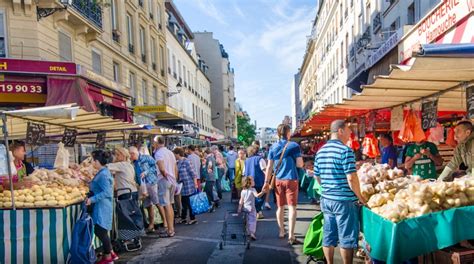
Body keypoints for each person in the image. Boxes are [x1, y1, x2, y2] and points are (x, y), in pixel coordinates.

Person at [313, 120, 367, 264]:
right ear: (340, 131)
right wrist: (360, 197)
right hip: (344, 201)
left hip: (326, 199)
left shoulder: (320, 151)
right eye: (348, 130)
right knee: (347, 237)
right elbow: (352, 178)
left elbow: (317, 176)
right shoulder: (345, 150)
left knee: (329, 234)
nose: (350, 134)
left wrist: (328, 187)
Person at [263, 124, 304, 245]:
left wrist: (266, 182)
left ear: (278, 133)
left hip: (278, 180)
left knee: (280, 207)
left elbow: (269, 167)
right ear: (288, 133)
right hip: (291, 179)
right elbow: (299, 164)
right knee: (292, 207)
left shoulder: (273, 147)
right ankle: (291, 235)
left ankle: (281, 231)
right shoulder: (294, 146)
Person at [85, 150, 118, 264]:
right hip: (102, 205)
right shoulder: (102, 172)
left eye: (93, 160)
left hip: (102, 206)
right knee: (102, 230)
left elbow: (107, 192)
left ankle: (108, 257)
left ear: (97, 161)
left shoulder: (103, 174)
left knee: (101, 231)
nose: (92, 162)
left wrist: (91, 199)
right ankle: (110, 253)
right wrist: (88, 182)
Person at [129, 146, 160, 233]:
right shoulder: (133, 163)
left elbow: (155, 167)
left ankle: (165, 224)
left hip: (151, 182)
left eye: (130, 155)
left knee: (157, 203)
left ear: (133, 154)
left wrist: (146, 172)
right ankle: (151, 225)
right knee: (148, 205)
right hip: (142, 186)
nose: (130, 157)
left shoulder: (146, 158)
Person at [153, 136, 178, 237]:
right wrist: (174, 179)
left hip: (164, 180)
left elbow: (162, 168)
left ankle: (170, 230)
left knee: (166, 205)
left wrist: (165, 176)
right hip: (172, 180)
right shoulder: (170, 152)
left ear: (156, 143)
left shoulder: (158, 153)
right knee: (170, 205)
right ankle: (171, 228)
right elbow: (175, 167)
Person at [173, 147, 198, 225]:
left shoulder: (186, 161)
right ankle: (183, 218)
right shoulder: (177, 162)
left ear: (177, 154)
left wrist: (195, 184)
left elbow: (193, 174)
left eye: (174, 154)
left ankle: (193, 218)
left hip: (189, 185)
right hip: (182, 186)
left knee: (190, 202)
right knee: (183, 202)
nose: (174, 156)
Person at [238, 176, 265, 240]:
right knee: (252, 221)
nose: (254, 181)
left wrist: (239, 208)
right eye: (253, 181)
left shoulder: (243, 191)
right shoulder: (253, 190)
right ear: (249, 183)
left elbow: (241, 201)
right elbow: (257, 196)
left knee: (247, 220)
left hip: (245, 208)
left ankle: (248, 232)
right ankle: (252, 233)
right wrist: (263, 192)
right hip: (252, 208)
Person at [244, 145, 267, 219]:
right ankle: (258, 211)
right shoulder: (260, 159)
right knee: (260, 196)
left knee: (252, 197)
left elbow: (244, 172)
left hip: (249, 181)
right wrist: (268, 180)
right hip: (259, 180)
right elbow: (264, 170)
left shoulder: (246, 160)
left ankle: (255, 211)